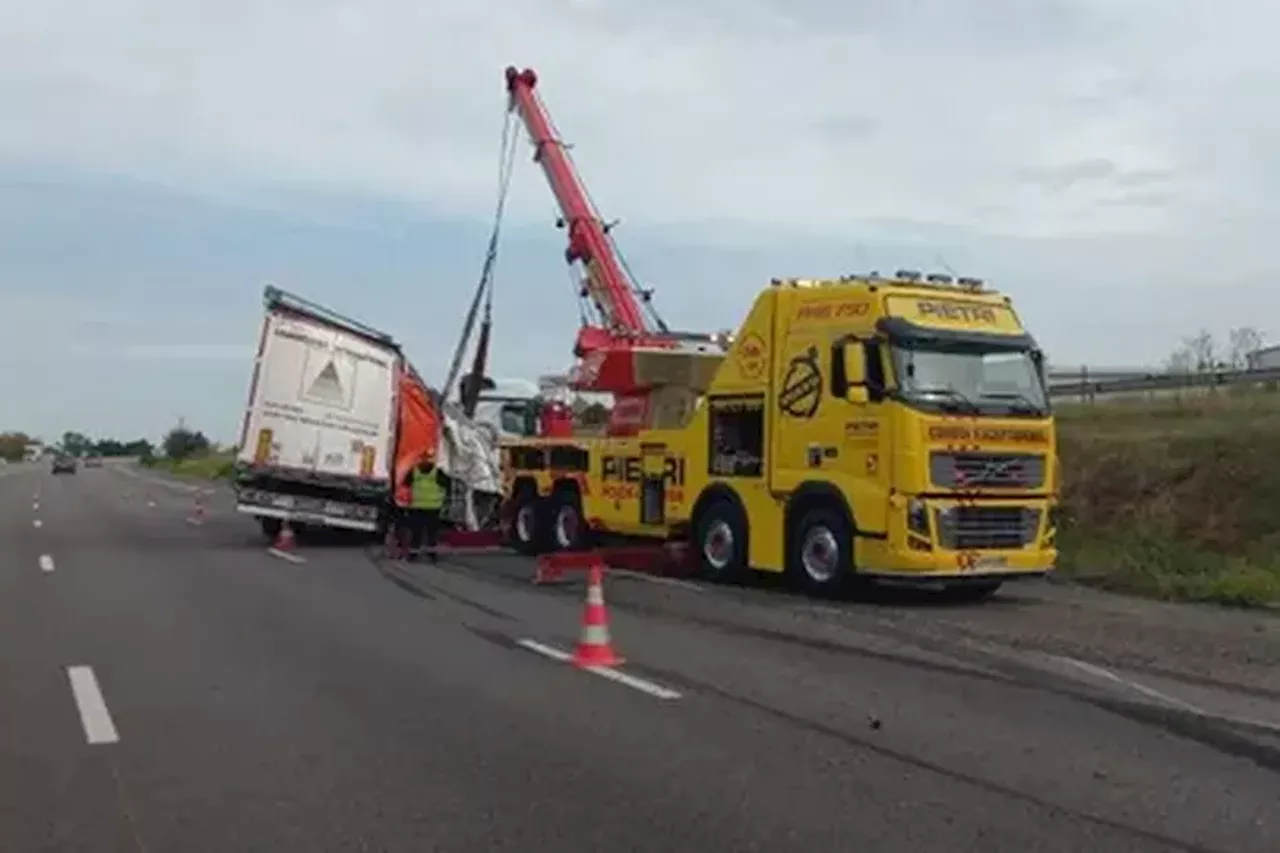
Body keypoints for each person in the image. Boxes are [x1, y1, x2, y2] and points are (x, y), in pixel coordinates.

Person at [400, 452, 447, 563]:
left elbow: (405, 485)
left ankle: (414, 555)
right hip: (432, 507)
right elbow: (446, 486)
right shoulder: (438, 473)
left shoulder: (415, 471)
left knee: (418, 532)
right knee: (431, 533)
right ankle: (431, 555)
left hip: (419, 507)